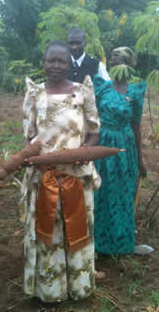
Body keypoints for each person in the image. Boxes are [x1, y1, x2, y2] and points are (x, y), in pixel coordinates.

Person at [21, 40, 101, 304]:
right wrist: (29, 157)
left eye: (61, 61)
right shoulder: (34, 93)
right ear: (43, 62)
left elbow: (93, 132)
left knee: (75, 231)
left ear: (69, 64)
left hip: (76, 178)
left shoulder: (82, 92)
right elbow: (30, 136)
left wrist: (84, 153)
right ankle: (50, 292)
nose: (56, 65)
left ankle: (78, 288)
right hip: (43, 178)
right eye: (51, 60)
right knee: (48, 235)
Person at [94, 47, 147, 256]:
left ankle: (122, 244)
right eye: (114, 61)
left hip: (125, 148)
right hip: (102, 143)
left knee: (123, 192)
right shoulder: (102, 88)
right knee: (101, 191)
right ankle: (98, 244)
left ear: (130, 66)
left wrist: (140, 159)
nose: (117, 64)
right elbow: (92, 119)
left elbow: (136, 125)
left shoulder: (135, 91)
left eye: (122, 61)